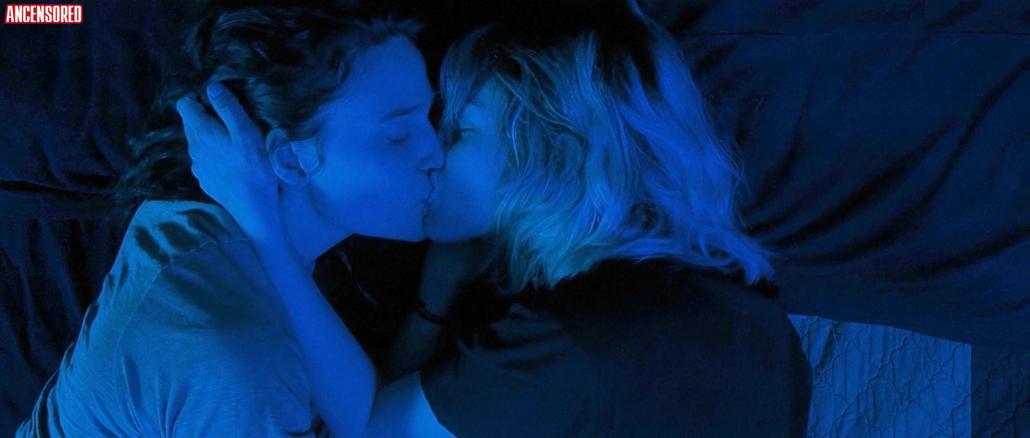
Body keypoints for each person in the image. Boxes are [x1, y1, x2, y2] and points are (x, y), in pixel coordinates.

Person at [183, 1, 813, 436]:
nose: (435, 152)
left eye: (460, 128)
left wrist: (263, 227)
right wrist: (441, 286)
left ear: (547, 150)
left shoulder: (575, 341)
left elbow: (375, 428)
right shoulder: (753, 311)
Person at [16, 3, 444, 436]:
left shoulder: (189, 227)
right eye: (398, 135)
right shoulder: (238, 357)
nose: (436, 154)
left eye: (430, 117)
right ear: (290, 160)